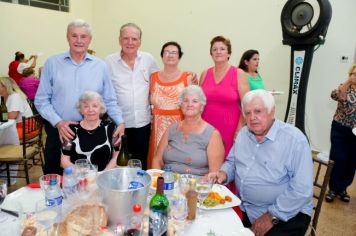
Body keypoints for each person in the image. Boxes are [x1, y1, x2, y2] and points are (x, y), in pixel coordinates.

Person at [210, 89, 313, 236]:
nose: (252, 118)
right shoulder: (244, 134)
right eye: (247, 113)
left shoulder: (294, 140)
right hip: (247, 209)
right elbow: (232, 162)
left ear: (272, 111)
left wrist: (271, 216)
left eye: (258, 111)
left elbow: (302, 190)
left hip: (288, 214)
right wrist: (223, 173)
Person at [35, 19, 125, 175]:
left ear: (89, 40)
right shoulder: (52, 63)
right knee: (56, 178)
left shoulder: (100, 66)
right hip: (60, 131)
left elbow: (109, 100)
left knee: (92, 181)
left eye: (83, 36)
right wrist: (59, 123)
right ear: (67, 37)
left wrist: (120, 122)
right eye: (74, 36)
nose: (78, 40)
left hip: (93, 133)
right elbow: (41, 100)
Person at [105, 23, 159, 169]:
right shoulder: (109, 62)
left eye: (134, 39)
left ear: (140, 42)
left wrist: (187, 75)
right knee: (118, 164)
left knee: (140, 163)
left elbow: (159, 81)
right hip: (118, 123)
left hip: (142, 123)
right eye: (126, 38)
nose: (130, 42)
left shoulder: (148, 60)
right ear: (119, 40)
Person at [152, 85, 224, 176]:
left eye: (195, 101)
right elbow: (157, 160)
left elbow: (214, 174)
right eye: (186, 101)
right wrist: (157, 181)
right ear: (181, 105)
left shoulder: (213, 135)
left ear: (202, 106)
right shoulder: (171, 129)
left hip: (195, 186)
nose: (189, 104)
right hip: (168, 183)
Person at [147, 41, 197, 168]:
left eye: (174, 52)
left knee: (177, 163)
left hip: (180, 127)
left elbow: (195, 106)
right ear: (162, 56)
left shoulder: (188, 77)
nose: (170, 55)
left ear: (179, 56)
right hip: (158, 128)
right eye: (166, 52)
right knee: (157, 164)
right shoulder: (152, 77)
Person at [200, 36, 249, 159]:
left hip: (230, 128)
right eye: (215, 49)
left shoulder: (238, 73)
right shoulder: (205, 73)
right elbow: (199, 102)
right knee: (206, 161)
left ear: (229, 53)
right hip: (207, 127)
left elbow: (247, 105)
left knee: (227, 162)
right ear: (211, 53)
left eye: (222, 49)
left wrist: (239, 130)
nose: (218, 52)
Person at [61, 91, 119, 171]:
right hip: (80, 178)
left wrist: (104, 174)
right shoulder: (71, 129)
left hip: (105, 176)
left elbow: (117, 155)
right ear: (80, 110)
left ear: (101, 109)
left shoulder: (111, 127)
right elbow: (64, 161)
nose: (90, 110)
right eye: (86, 106)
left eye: (95, 106)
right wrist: (83, 174)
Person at [325, 64, 356, 203]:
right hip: (340, 129)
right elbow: (335, 95)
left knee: (351, 161)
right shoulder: (345, 87)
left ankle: (343, 189)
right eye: (353, 73)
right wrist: (349, 81)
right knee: (338, 158)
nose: (355, 76)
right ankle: (332, 189)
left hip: (355, 133)